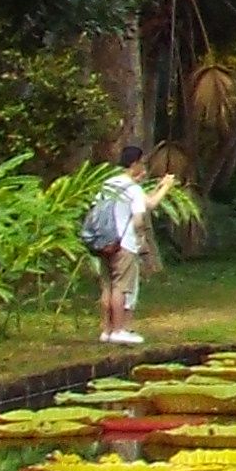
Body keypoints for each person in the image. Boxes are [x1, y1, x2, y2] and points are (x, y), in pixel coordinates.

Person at [86, 145, 153, 346]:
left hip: (105, 242)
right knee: (121, 287)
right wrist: (140, 236)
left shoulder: (107, 184)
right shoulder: (133, 189)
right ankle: (119, 329)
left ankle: (106, 330)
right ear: (134, 164)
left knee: (107, 286)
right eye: (141, 162)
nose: (142, 166)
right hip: (124, 244)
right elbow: (139, 219)